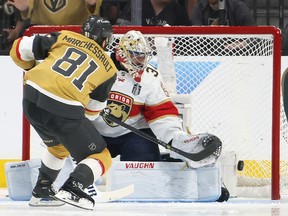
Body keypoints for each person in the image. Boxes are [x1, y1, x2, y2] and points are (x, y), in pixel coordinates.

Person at [9, 15, 118, 210]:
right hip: (63, 108)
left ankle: (42, 191)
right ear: (105, 39)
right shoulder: (109, 69)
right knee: (102, 155)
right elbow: (91, 113)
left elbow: (17, 48)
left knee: (59, 147)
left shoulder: (64, 36)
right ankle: (73, 187)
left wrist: (33, 68)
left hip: (31, 98)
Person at [92, 30, 222, 168]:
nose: (141, 62)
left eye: (143, 57)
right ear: (123, 53)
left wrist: (175, 137)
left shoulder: (150, 77)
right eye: (136, 56)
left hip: (132, 132)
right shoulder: (96, 65)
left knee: (145, 161)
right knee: (79, 158)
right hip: (94, 131)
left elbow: (161, 112)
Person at [7, 0, 103, 26]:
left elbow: (93, 6)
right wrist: (24, 9)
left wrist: (92, 3)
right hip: (43, 34)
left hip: (77, 33)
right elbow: (26, 7)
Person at [191, 0, 256, 26]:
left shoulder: (238, 8)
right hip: (208, 52)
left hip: (235, 52)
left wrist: (241, 44)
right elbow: (196, 38)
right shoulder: (199, 8)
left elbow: (254, 36)